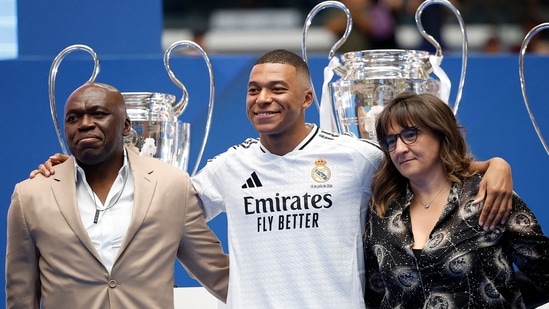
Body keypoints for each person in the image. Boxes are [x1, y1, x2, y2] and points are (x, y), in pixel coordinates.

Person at [32, 50, 513, 308]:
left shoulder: (357, 157)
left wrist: (494, 166)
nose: (262, 98)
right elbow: (153, 207)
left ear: (307, 99)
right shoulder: (228, 167)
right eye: (254, 89)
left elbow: (429, 167)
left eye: (277, 88)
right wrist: (72, 171)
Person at [6, 83, 229, 308]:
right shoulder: (30, 195)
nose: (84, 124)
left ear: (126, 126)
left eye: (98, 114)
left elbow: (217, 273)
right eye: (73, 118)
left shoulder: (172, 185)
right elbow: (20, 295)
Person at [364, 92, 549, 308]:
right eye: (391, 141)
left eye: (410, 134)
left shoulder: (486, 194)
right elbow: (374, 294)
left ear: (441, 132)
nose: (400, 148)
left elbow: (544, 271)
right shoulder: (382, 210)